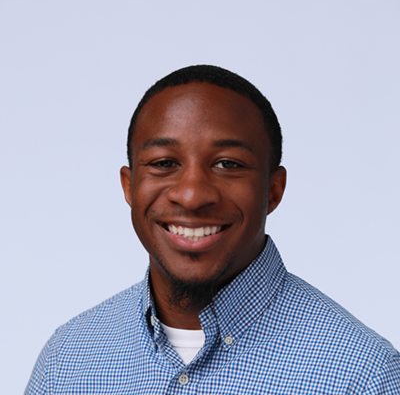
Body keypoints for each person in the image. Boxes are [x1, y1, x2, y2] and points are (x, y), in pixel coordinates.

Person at [25, 65, 400, 394]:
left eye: (228, 164)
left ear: (273, 190)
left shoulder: (364, 376)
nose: (191, 196)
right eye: (164, 163)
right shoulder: (66, 361)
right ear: (129, 186)